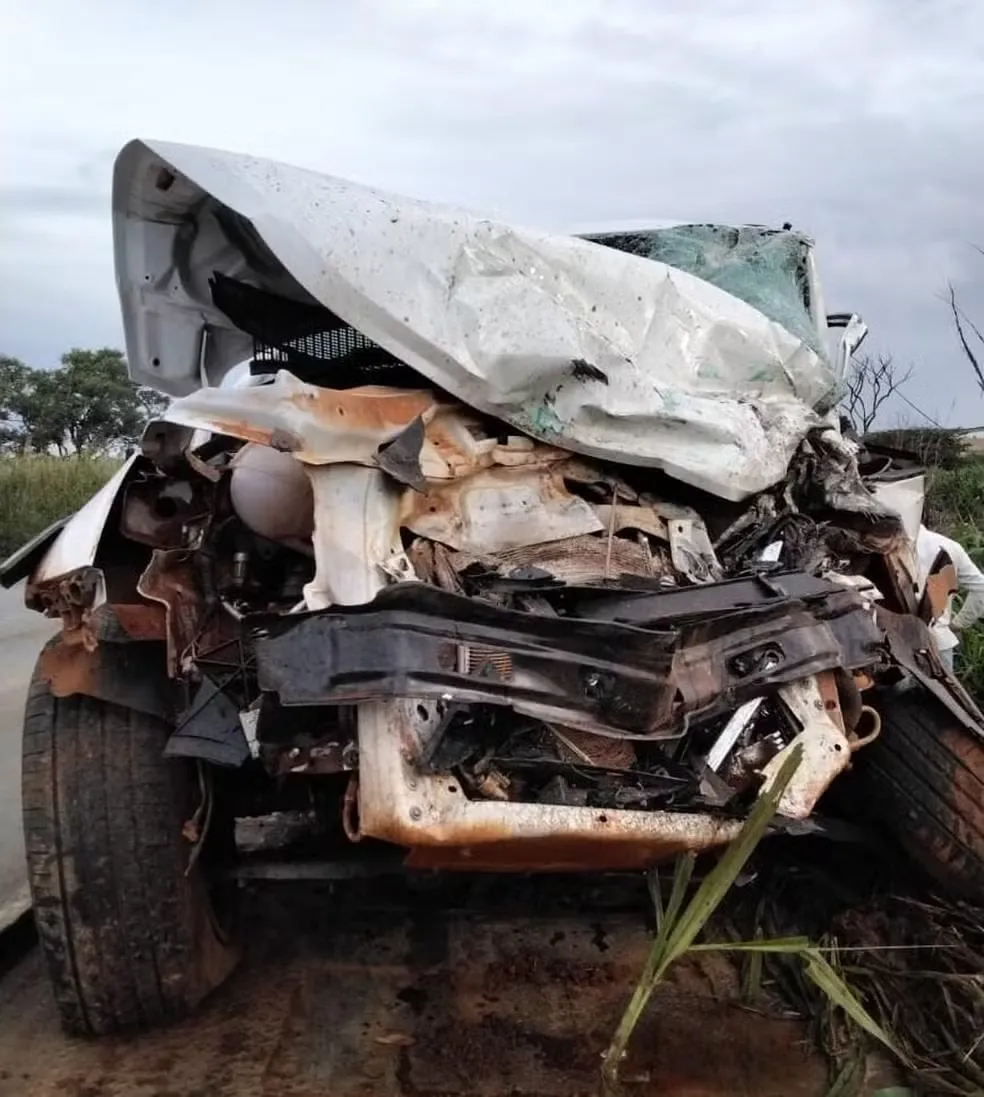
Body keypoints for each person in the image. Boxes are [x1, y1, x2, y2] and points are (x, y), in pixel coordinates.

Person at [915, 524, 984, 671]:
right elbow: (981, 588)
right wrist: (957, 624)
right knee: (941, 692)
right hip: (938, 642)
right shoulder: (949, 546)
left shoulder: (873, 545)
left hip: (887, 645)